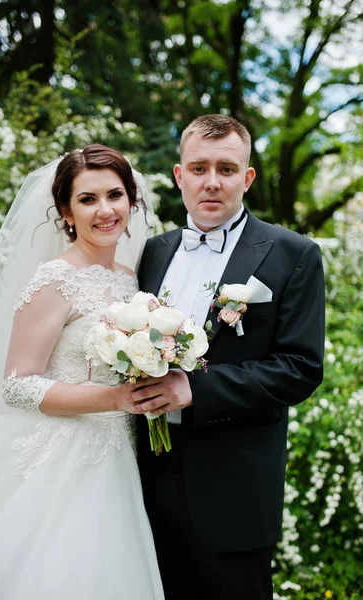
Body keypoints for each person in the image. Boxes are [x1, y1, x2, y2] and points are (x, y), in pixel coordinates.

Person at [130, 114, 325, 599]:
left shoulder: (293, 253)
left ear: (247, 177)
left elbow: (300, 369)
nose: (211, 182)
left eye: (226, 168)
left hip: (234, 490)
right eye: (198, 168)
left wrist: (196, 389)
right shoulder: (153, 252)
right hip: (143, 485)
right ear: (179, 176)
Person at [0, 144, 164, 599]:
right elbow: (17, 385)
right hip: (61, 460)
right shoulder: (54, 279)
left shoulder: (134, 278)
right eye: (87, 199)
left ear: (132, 202)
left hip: (120, 459)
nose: (105, 210)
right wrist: (114, 400)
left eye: (114, 195)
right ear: (65, 212)